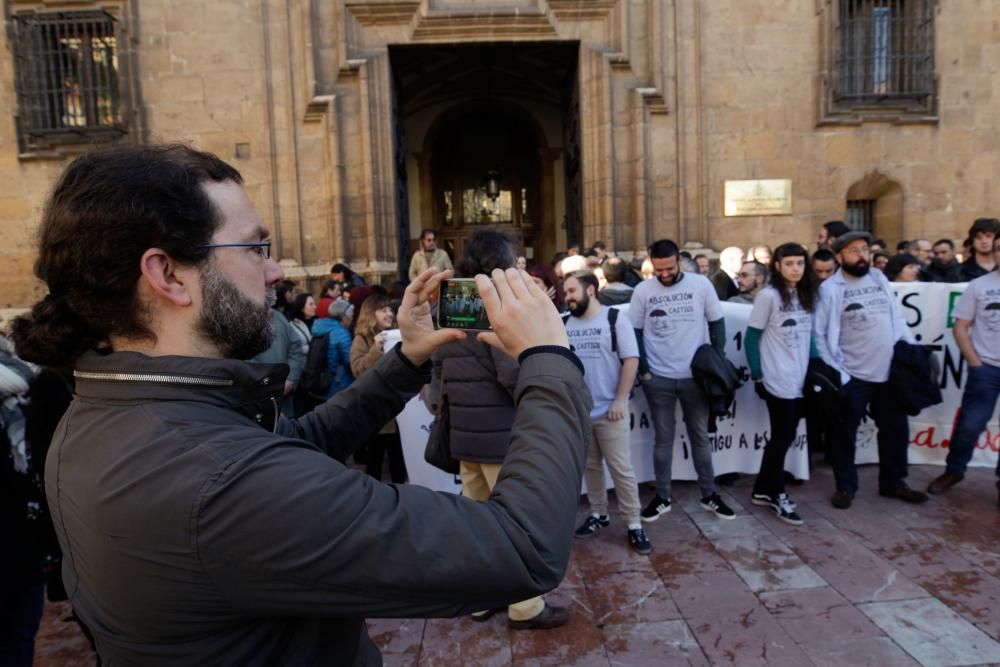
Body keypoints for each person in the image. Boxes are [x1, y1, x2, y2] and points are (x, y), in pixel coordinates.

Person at [10, 145, 592, 664]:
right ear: (167, 274)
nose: (275, 270)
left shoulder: (108, 406)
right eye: (256, 246)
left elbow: (294, 448)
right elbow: (523, 548)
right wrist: (548, 357)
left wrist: (407, 358)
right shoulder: (217, 482)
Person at [430, 229, 571, 630]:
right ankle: (526, 608)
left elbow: (441, 366)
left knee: (476, 522)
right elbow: (510, 371)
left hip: (465, 435)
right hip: (499, 436)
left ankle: (479, 601)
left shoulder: (453, 298)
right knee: (516, 524)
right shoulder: (497, 303)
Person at [814, 231, 928, 509]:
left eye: (864, 249)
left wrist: (907, 348)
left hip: (889, 371)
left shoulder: (878, 279)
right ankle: (845, 487)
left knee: (895, 429)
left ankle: (894, 482)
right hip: (853, 374)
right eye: (853, 251)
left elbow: (896, 317)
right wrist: (839, 373)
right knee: (844, 433)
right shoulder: (830, 289)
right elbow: (819, 335)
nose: (861, 255)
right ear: (840, 257)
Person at [629, 239, 735, 522]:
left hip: (695, 379)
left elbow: (717, 322)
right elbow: (635, 332)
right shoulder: (643, 290)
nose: (663, 274)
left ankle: (709, 494)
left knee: (700, 437)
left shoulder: (700, 285)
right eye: (658, 269)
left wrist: (715, 360)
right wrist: (645, 371)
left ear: (679, 261)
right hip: (659, 379)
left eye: (669, 268)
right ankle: (662, 496)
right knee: (662, 439)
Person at [563, 271, 651, 555]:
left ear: (590, 290)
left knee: (621, 469)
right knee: (590, 467)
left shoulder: (615, 320)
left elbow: (631, 360)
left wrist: (619, 400)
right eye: (566, 292)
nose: (568, 297)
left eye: (572, 291)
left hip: (611, 412)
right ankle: (598, 513)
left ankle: (634, 523)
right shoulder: (564, 323)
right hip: (580, 414)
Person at [745, 244, 818, 525]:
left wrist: (815, 366)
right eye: (789, 263)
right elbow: (752, 337)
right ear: (777, 266)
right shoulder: (768, 296)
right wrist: (758, 375)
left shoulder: (804, 293)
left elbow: (809, 335)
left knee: (783, 437)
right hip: (777, 379)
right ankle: (776, 493)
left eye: (800, 263)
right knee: (782, 437)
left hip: (800, 378)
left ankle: (763, 490)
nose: (796, 268)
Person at [926, 234, 1000, 503]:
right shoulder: (979, 286)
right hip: (986, 370)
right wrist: (975, 363)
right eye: (999, 249)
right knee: (969, 425)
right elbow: (960, 328)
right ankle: (954, 471)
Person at [350, 293, 407, 484]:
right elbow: (358, 370)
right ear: (370, 314)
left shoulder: (397, 334)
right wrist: (376, 348)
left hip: (400, 409)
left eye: (390, 309)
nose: (389, 314)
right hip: (376, 410)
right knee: (375, 457)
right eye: (383, 310)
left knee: (398, 458)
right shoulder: (362, 339)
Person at [248, 304, 305, 418]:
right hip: (255, 404)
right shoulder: (243, 320)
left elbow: (296, 348)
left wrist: (290, 379)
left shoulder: (279, 317)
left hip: (283, 400)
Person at [311, 299, 355, 398]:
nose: (352, 318)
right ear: (344, 317)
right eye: (350, 315)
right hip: (339, 383)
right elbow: (350, 361)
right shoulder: (341, 333)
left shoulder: (321, 327)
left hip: (322, 379)